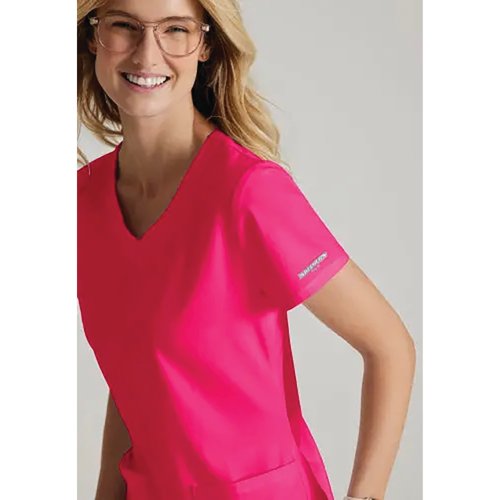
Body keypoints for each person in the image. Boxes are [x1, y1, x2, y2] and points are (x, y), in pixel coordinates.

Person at [77, 1, 416, 499]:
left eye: (175, 29)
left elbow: (389, 346)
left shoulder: (247, 192)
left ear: (206, 44)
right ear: (93, 36)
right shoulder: (83, 203)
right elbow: (139, 377)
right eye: (124, 25)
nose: (147, 54)